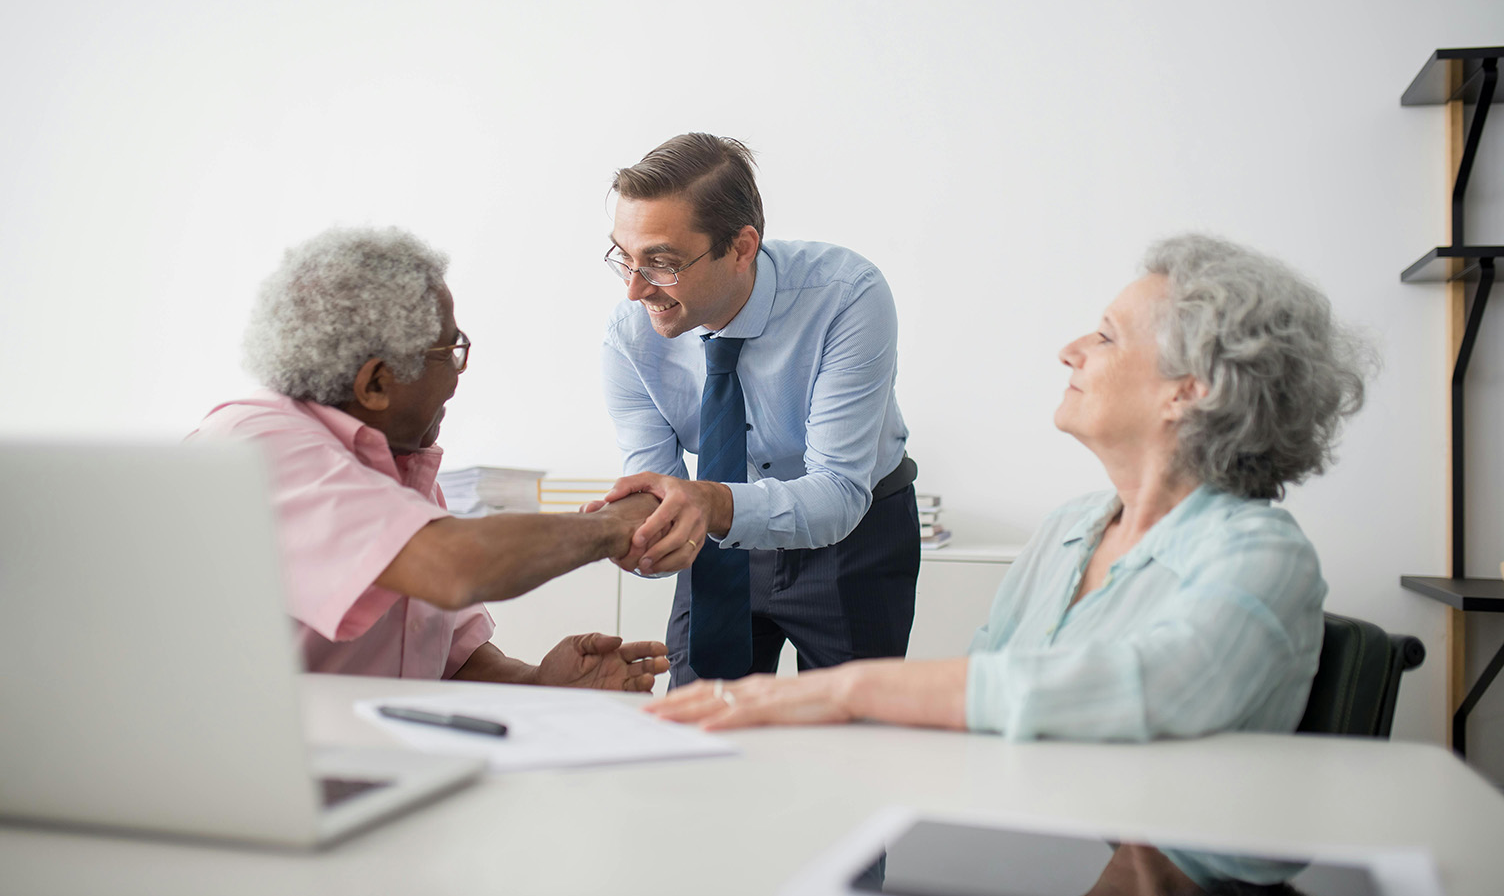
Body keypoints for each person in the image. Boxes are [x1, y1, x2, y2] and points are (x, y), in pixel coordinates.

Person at [647, 234, 1372, 737]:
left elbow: (1142, 688)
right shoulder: (1072, 530)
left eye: (1108, 336)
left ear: (1189, 390)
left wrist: (840, 690)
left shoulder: (1261, 553)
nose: (1071, 349)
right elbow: (986, 694)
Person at [189, 226, 670, 690]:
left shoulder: (394, 466)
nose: (459, 374)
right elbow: (454, 568)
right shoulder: (255, 449)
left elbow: (444, 658)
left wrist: (538, 681)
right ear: (376, 383)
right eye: (450, 350)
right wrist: (614, 525)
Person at [596, 133, 919, 686]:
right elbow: (661, 494)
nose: (634, 290)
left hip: (855, 534)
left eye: (661, 263)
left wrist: (701, 506)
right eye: (624, 258)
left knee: (853, 735)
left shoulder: (847, 295)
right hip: (718, 536)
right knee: (698, 721)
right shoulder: (630, 337)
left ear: (742, 248)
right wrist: (636, 535)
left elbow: (838, 492)